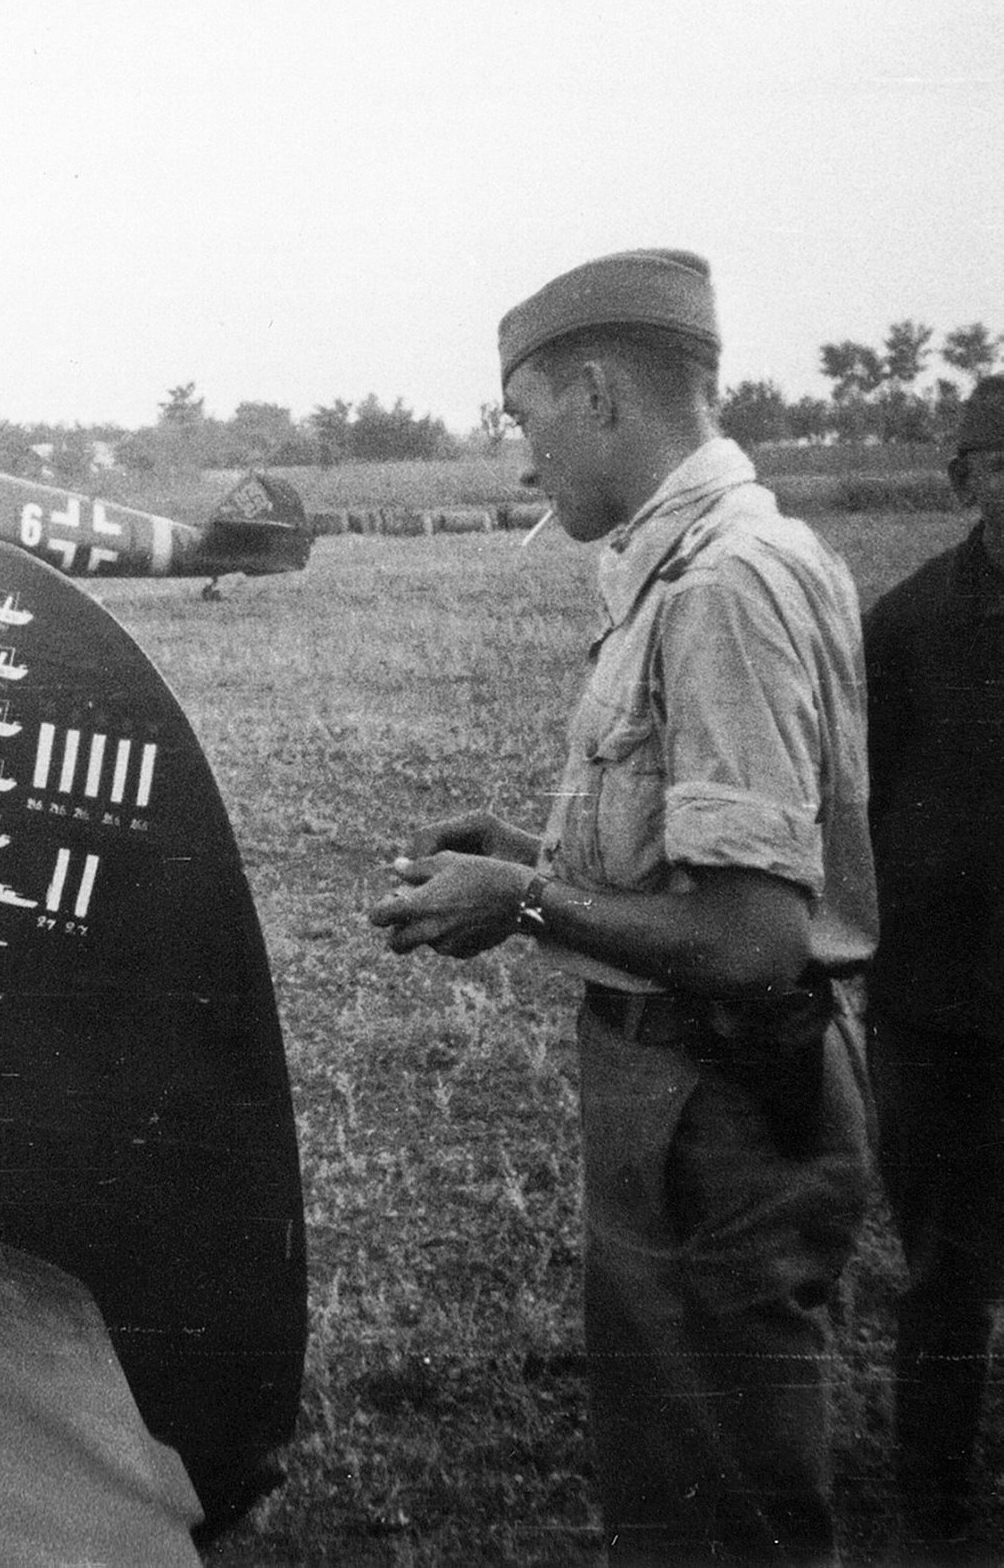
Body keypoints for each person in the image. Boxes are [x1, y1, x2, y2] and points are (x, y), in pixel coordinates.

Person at [368, 249, 876, 1563]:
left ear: (595, 391)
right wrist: (528, 849)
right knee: (681, 1492)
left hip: (719, 1116)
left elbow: (757, 942)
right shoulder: (715, 562)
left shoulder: (721, 584)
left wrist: (526, 901)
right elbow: (708, 869)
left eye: (524, 416)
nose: (525, 460)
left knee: (714, 1520)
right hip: (699, 1104)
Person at [863, 373, 1004, 1555]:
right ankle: (931, 1507)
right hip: (940, 1014)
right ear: (963, 479)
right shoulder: (905, 626)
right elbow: (852, 811)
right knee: (944, 1275)